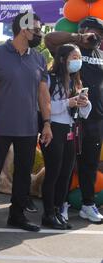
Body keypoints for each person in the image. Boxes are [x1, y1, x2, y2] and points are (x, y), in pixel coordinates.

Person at [0, 12, 53, 235]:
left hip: (28, 128)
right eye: (36, 29)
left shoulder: (38, 58)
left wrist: (46, 123)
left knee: (23, 173)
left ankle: (16, 215)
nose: (39, 33)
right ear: (23, 29)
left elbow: (43, 95)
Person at [45, 17, 103, 223]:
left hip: (94, 118)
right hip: (69, 119)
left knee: (89, 164)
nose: (97, 36)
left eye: (100, 33)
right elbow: (49, 38)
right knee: (65, 165)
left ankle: (88, 204)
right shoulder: (69, 50)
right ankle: (61, 205)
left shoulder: (101, 53)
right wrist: (80, 38)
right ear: (84, 30)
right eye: (94, 31)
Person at [42, 44, 92, 229]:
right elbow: (43, 107)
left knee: (66, 174)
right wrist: (67, 103)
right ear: (62, 58)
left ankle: (57, 210)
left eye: (79, 57)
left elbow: (84, 113)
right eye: (74, 57)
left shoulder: (75, 80)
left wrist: (84, 103)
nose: (78, 61)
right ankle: (48, 213)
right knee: (53, 173)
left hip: (71, 129)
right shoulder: (50, 79)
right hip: (54, 129)